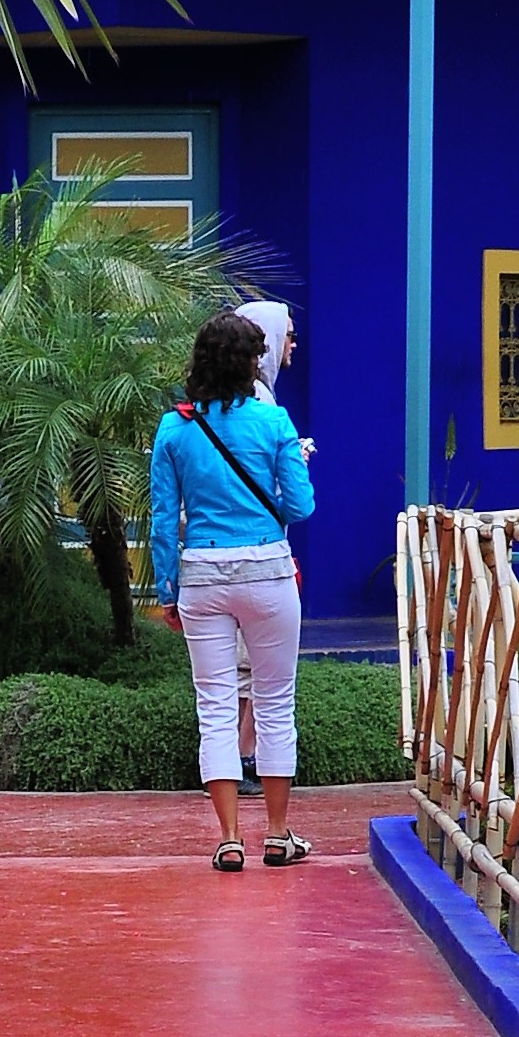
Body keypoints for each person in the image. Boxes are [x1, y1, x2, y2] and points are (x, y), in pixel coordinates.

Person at [150, 311, 316, 870]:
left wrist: (167, 590)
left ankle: (227, 837)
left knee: (215, 707)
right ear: (251, 363)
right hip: (268, 570)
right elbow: (300, 507)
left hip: (200, 574)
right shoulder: (274, 423)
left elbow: (160, 520)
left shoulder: (175, 428)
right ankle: (276, 832)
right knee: (275, 704)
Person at [233, 300, 309, 794]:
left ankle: (236, 761)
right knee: (264, 668)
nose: (293, 345)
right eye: (287, 334)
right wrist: (295, 459)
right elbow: (296, 502)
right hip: (260, 553)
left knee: (237, 670)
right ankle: (249, 760)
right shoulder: (263, 405)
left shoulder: (225, 404)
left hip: (214, 558)